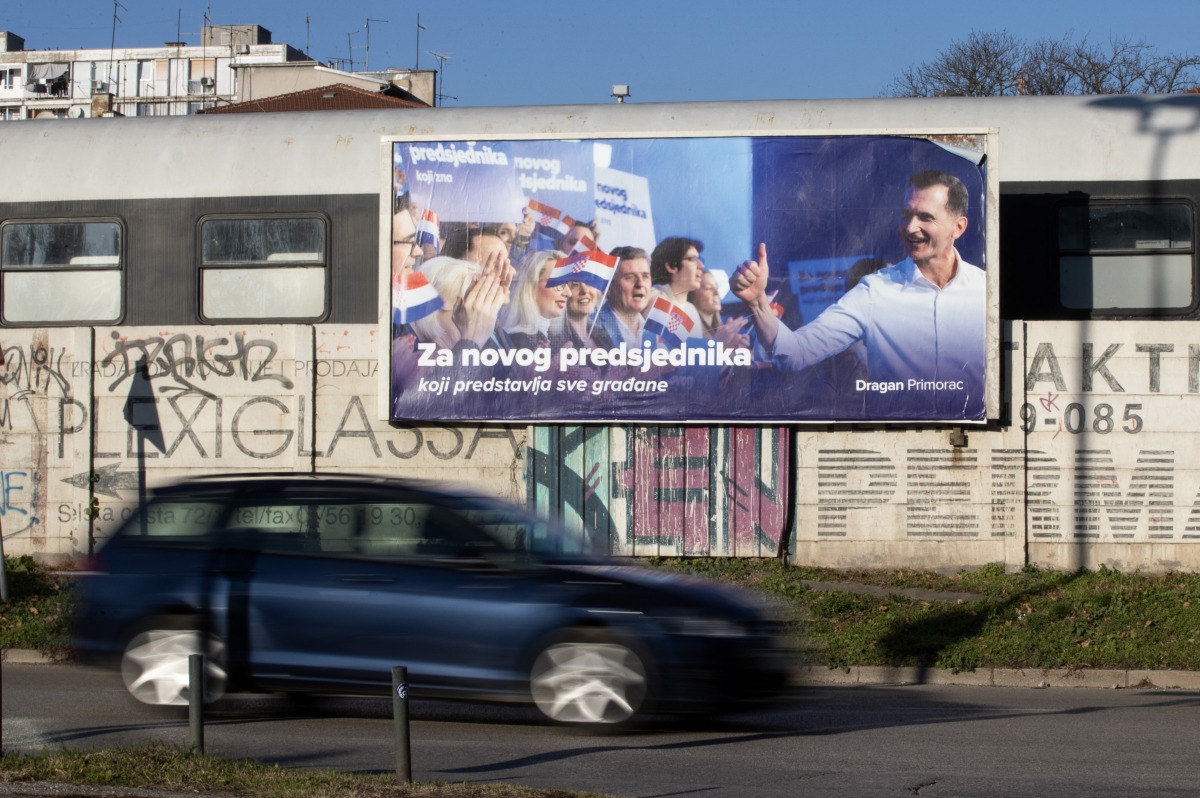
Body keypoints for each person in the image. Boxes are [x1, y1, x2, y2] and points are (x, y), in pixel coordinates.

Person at [732, 169, 985, 415]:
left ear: (958, 227)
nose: (910, 228)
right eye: (906, 215)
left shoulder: (985, 290)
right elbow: (795, 353)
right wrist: (757, 302)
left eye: (925, 217)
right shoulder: (874, 291)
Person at [501, 250, 569, 348]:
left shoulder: (552, 339)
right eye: (558, 283)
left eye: (568, 284)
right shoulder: (519, 341)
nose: (568, 293)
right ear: (531, 287)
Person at [592, 246, 652, 348]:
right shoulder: (591, 328)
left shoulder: (656, 333)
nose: (640, 283)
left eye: (645, 276)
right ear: (609, 286)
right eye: (630, 277)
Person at [648, 236, 704, 329]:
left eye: (700, 260)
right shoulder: (655, 298)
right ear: (671, 266)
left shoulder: (691, 310)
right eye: (693, 259)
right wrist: (719, 341)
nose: (701, 266)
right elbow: (669, 342)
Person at [688, 269, 750, 349]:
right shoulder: (689, 333)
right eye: (708, 288)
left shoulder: (718, 329)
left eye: (716, 287)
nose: (717, 293)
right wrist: (718, 344)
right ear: (692, 295)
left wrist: (731, 349)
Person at [550, 280, 602, 350]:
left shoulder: (603, 334)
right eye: (574, 284)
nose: (584, 290)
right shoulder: (555, 342)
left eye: (588, 281)